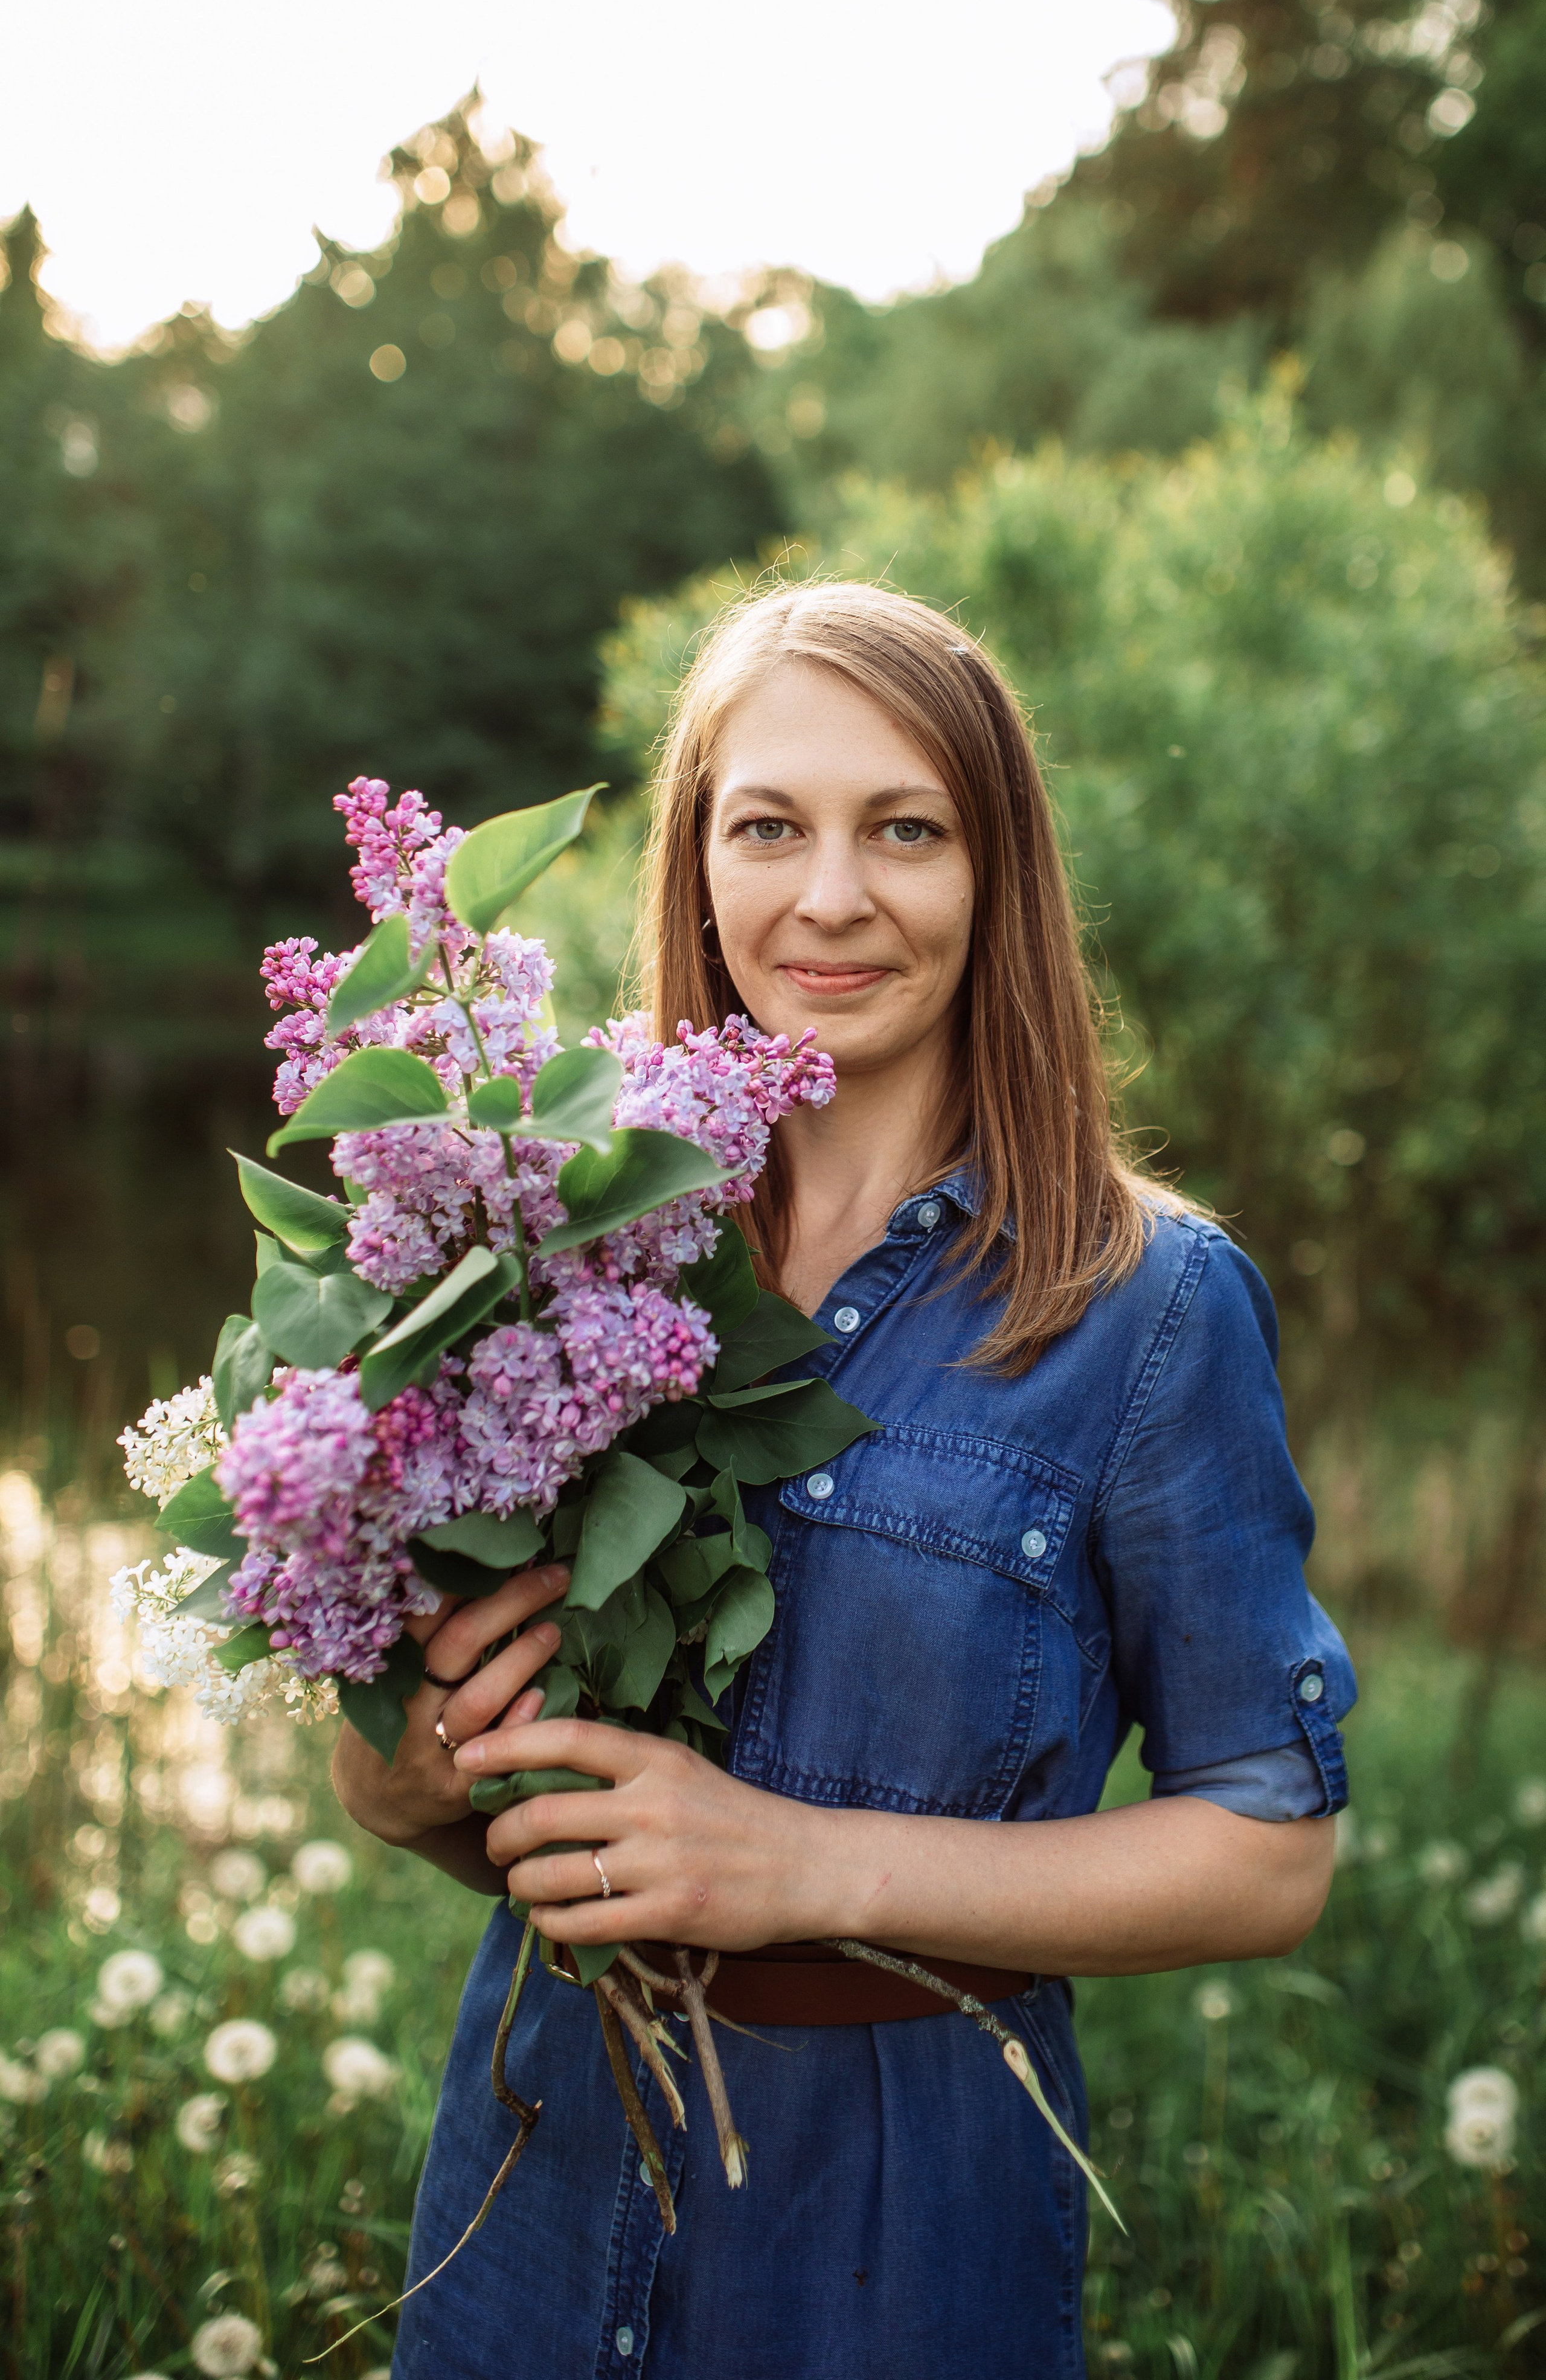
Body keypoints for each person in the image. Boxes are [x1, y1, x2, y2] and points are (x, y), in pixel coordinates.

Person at [333, 580, 1356, 2380]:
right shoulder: (551, 1234)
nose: (829, 898)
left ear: (997, 872)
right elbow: (411, 1793)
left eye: (906, 829)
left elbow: (1270, 1855)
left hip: (897, 2230)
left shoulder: (1151, 1308)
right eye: (769, 827)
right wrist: (408, 1770)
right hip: (533, 2183)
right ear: (697, 862)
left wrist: (807, 1866)